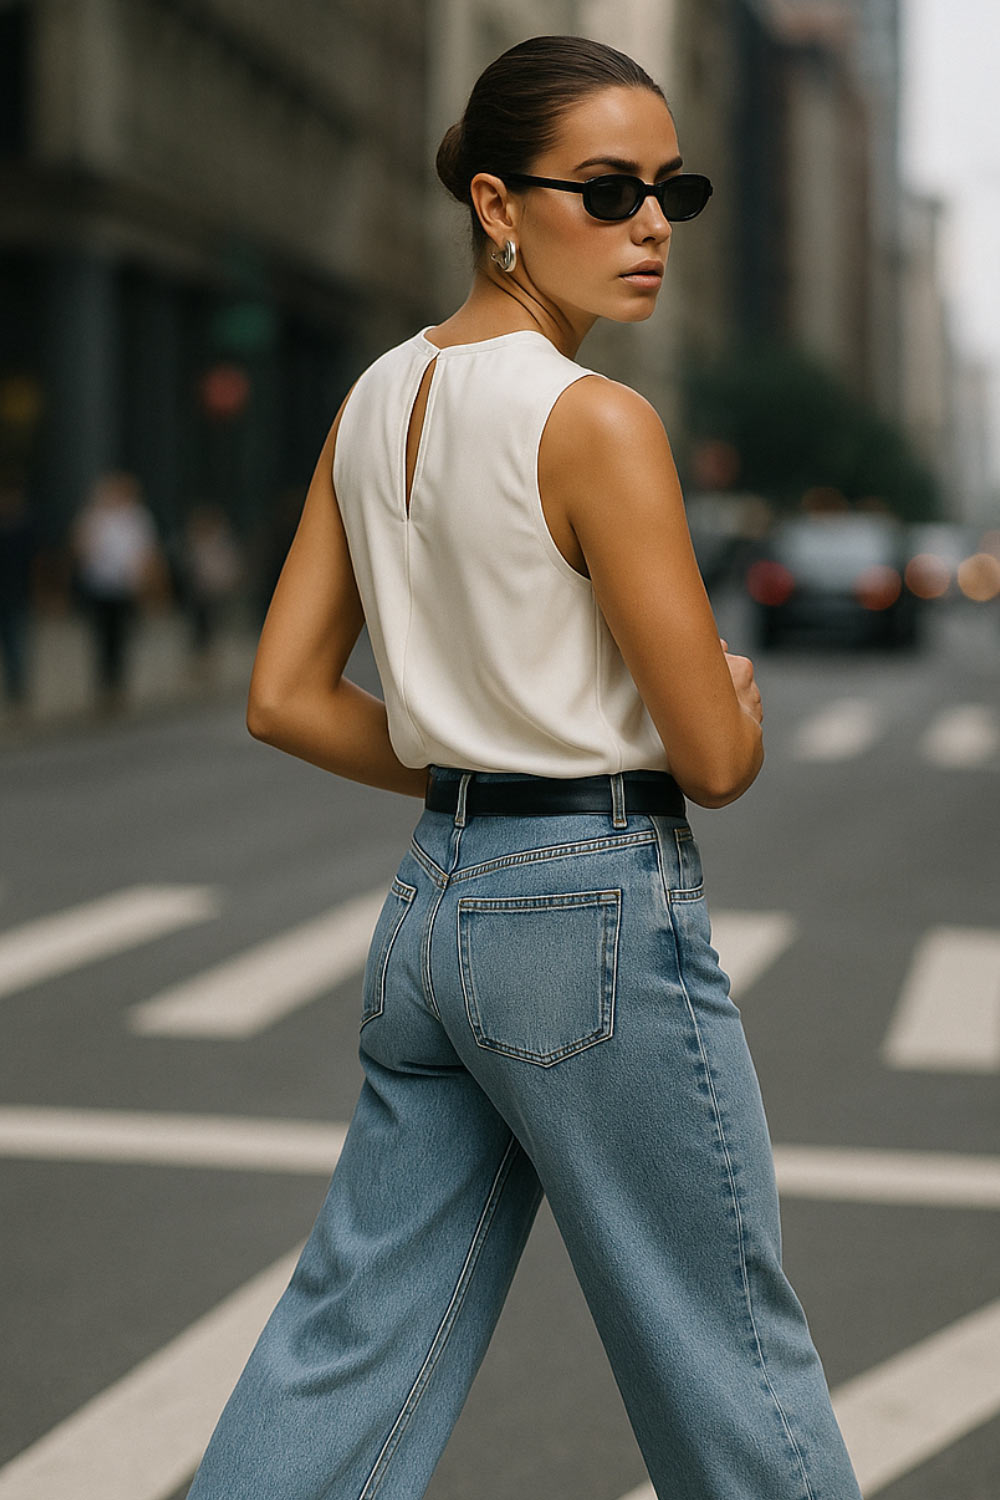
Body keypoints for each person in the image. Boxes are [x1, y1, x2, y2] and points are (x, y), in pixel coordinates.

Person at [187, 35, 863, 1500]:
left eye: (670, 190)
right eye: (607, 190)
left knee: (350, 1341)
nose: (651, 226)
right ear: (497, 202)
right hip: (591, 918)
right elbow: (718, 760)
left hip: (435, 909)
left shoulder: (374, 400)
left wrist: (469, 764)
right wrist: (724, 698)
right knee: (732, 1358)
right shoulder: (598, 422)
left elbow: (286, 699)